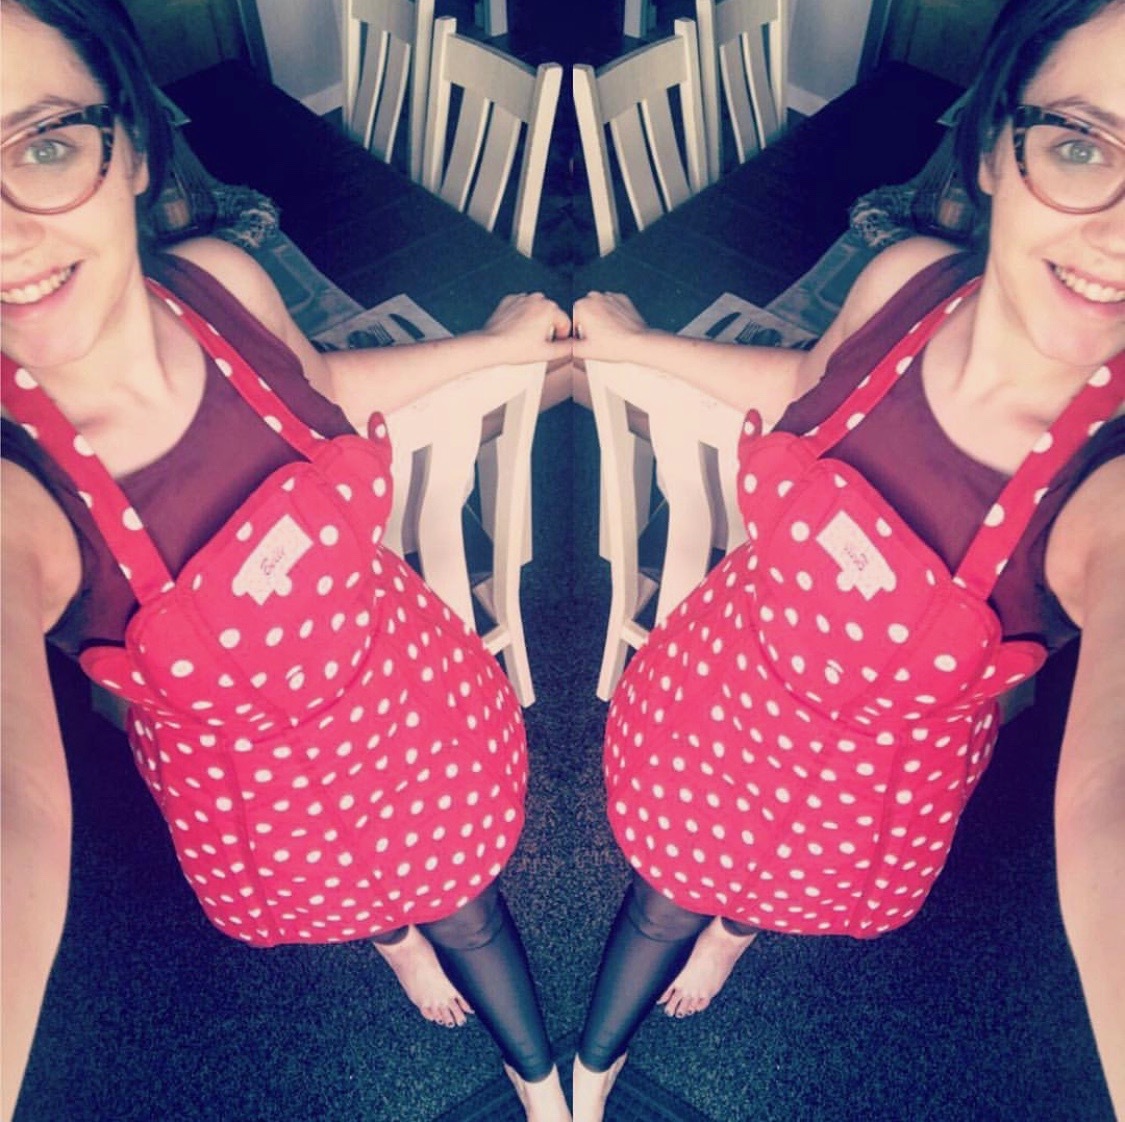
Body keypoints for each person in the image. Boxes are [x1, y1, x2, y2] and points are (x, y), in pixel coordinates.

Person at [0, 2, 574, 1119]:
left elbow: (323, 390)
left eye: (46, 146)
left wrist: (494, 348)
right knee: (371, 907)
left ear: (133, 151)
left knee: (468, 904)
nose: (6, 236)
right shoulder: (21, 494)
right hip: (267, 799)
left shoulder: (220, 280)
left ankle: (535, 1073)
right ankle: (396, 945)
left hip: (406, 695)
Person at [569, 0, 1125, 1117]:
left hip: (862, 792)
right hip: (722, 692)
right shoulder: (907, 279)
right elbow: (808, 387)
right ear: (994, 151)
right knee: (662, 896)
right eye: (1082, 147)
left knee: (755, 899)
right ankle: (592, 1063)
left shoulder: (1103, 491)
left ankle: (732, 935)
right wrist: (635, 346)